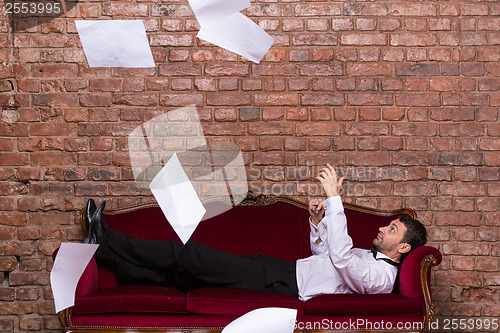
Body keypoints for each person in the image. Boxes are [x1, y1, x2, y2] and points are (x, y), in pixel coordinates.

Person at [84, 164, 427, 301]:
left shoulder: (380, 277)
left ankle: (108, 238)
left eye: (392, 228)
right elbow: (328, 257)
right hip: (282, 270)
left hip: (283, 284)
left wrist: (336, 200)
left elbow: (340, 258)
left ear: (405, 248)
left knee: (192, 255)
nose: (383, 227)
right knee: (188, 277)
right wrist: (317, 223)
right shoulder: (369, 258)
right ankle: (102, 253)